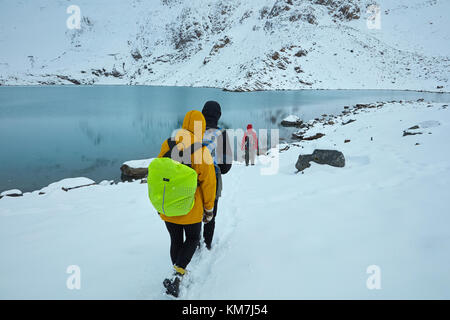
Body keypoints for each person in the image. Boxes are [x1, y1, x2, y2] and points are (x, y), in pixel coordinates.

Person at [157, 110, 216, 297]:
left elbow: (160, 173)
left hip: (168, 205)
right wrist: (209, 209)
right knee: (192, 238)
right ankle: (178, 273)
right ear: (201, 128)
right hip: (191, 207)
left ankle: (176, 272)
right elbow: (209, 184)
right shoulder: (202, 151)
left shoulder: (168, 143)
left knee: (175, 238)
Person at [201, 101, 233, 250]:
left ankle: (192, 242)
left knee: (193, 210)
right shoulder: (222, 134)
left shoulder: (191, 132)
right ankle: (207, 243)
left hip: (191, 178)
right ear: (218, 115)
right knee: (210, 212)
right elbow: (225, 167)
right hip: (212, 179)